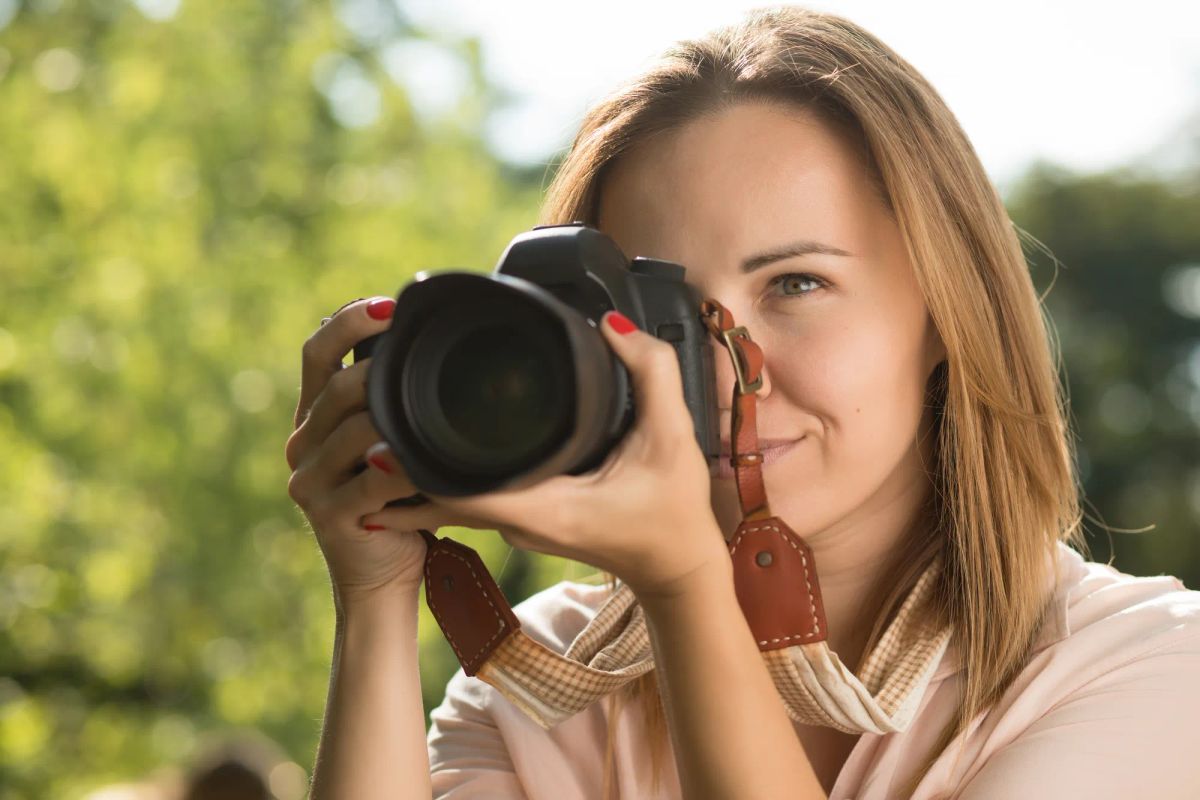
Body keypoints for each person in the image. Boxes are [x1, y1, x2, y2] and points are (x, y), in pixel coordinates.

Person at [284, 6, 1200, 799]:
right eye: (665, 313)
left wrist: (686, 586)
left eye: (796, 285)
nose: (727, 378)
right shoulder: (539, 681)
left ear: (945, 309)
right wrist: (374, 601)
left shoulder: (1141, 669)